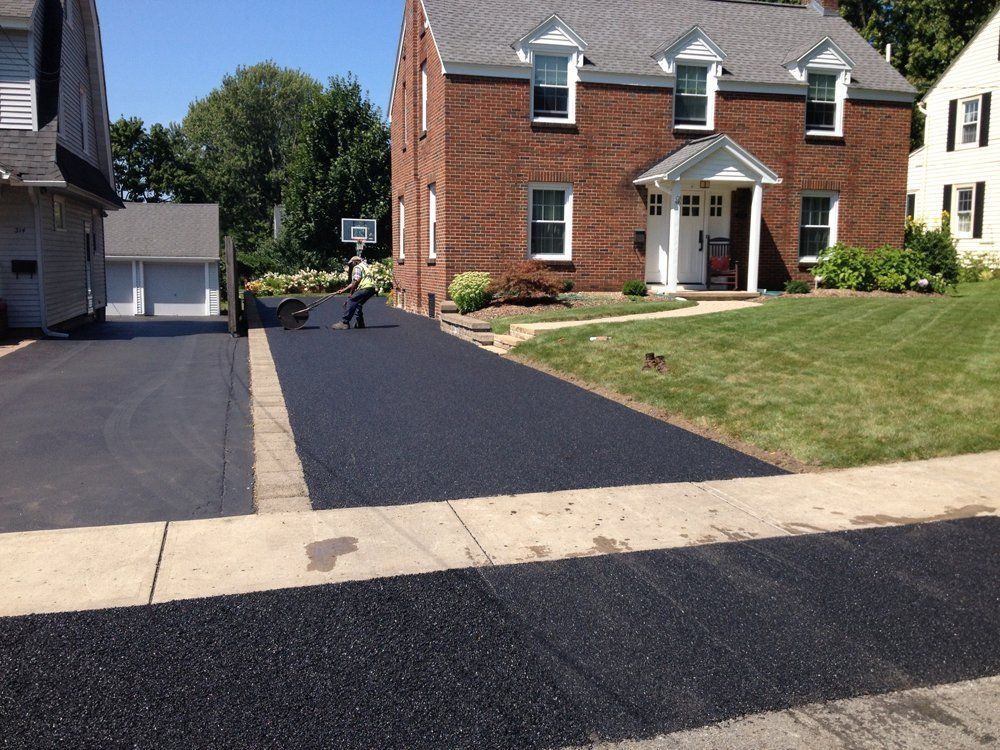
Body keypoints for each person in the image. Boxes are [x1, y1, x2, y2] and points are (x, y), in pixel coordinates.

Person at [330, 256, 377, 330]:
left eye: (351, 264)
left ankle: (345, 323)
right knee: (358, 303)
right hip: (371, 289)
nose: (351, 265)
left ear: (355, 262)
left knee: (351, 301)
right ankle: (360, 323)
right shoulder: (365, 267)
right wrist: (343, 290)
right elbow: (354, 283)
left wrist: (351, 294)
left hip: (365, 287)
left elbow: (356, 281)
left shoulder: (357, 267)